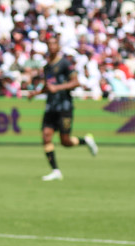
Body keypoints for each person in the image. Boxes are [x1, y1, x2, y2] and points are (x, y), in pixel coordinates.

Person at [27, 35, 98, 181]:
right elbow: (48, 87)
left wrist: (57, 88)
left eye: (54, 44)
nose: (51, 46)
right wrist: (36, 93)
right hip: (51, 106)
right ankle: (55, 171)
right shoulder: (47, 67)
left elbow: (76, 82)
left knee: (65, 141)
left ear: (58, 46)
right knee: (46, 136)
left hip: (64, 106)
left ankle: (86, 140)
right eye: (49, 44)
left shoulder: (65, 63)